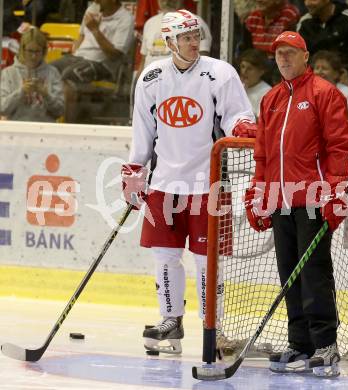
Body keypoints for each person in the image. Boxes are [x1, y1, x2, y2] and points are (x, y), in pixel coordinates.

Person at [121, 9, 256, 354]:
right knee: (165, 256)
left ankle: (216, 329)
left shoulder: (219, 73)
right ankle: (171, 322)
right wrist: (135, 168)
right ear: (169, 42)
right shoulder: (151, 77)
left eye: (196, 36)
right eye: (186, 37)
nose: (194, 42)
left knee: (206, 260)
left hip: (208, 184)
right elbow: (143, 129)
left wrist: (241, 127)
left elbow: (238, 114)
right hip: (164, 183)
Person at [244, 31, 348, 377]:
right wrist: (257, 194)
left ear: (305, 56)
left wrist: (335, 191)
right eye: (278, 54)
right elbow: (262, 153)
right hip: (280, 201)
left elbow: (339, 145)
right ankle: (300, 343)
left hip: (313, 200)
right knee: (289, 273)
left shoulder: (325, 94)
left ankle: (325, 344)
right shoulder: (271, 99)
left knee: (314, 272)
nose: (283, 59)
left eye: (290, 53)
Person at [51, 0, 134, 122]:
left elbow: (115, 55)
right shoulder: (92, 9)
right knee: (47, 70)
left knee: (69, 75)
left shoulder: (125, 18)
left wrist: (95, 30)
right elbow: (81, 36)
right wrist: (74, 54)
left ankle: (67, 126)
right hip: (78, 57)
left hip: (102, 64)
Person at [297, 0, 348, 92]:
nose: (307, 3)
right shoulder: (304, 23)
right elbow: (297, 61)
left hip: (345, 84)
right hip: (312, 86)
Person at [1, 27, 64, 122]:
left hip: (45, 128)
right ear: (22, 49)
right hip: (18, 128)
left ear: (44, 51)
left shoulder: (53, 73)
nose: (34, 56)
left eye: (37, 51)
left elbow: (60, 111)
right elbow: (3, 109)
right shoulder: (9, 73)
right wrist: (21, 92)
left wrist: (45, 94)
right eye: (30, 51)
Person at [137, 0, 212, 76]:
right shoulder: (150, 23)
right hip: (151, 83)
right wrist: (136, 84)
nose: (166, 2)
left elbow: (203, 60)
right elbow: (144, 59)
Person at [312, 50, 348, 137]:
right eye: (317, 68)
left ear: (336, 74)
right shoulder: (307, 93)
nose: (319, 71)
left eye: (324, 68)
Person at [239, 49, 272, 118]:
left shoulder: (267, 92)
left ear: (261, 71)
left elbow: (261, 121)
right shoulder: (240, 86)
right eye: (242, 67)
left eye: (249, 68)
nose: (244, 72)